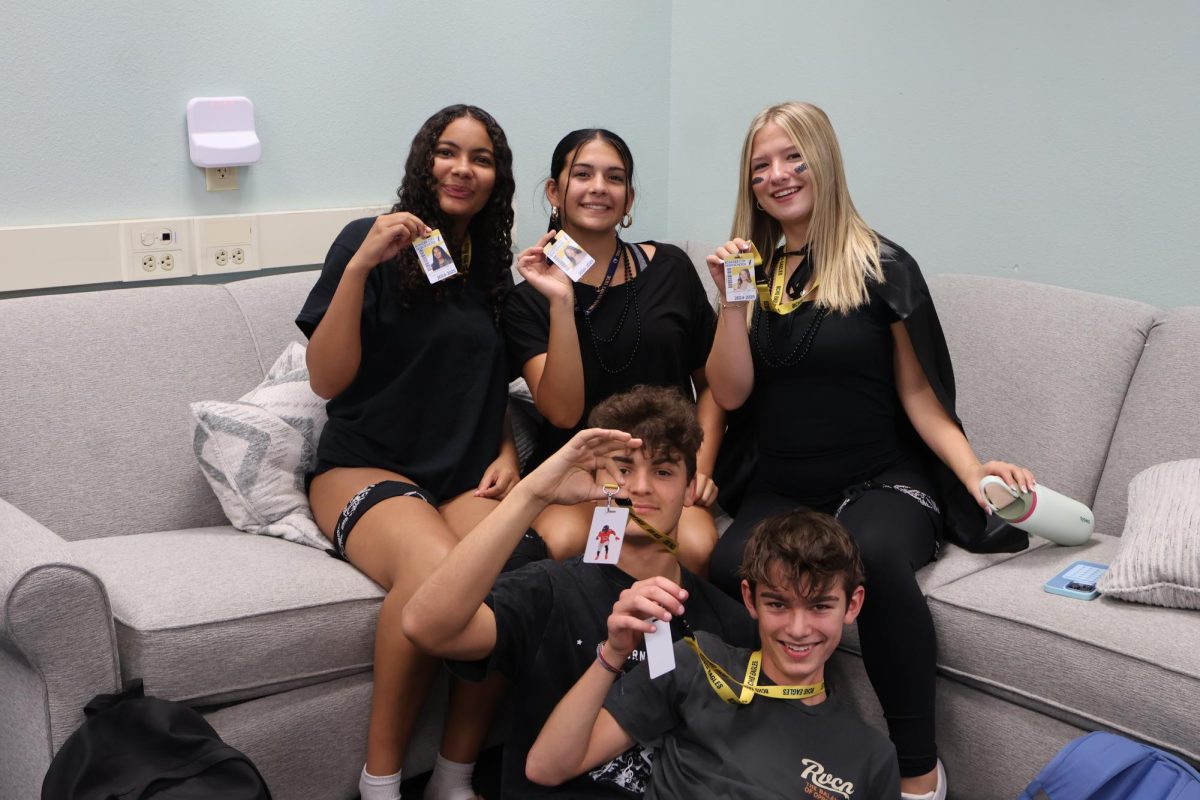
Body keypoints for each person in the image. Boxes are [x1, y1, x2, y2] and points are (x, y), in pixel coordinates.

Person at [702, 101, 1036, 800]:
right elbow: (729, 394)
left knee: (872, 559)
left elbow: (921, 397)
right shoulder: (751, 270)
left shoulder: (881, 263)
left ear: (824, 161)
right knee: (729, 565)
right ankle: (780, 745)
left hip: (880, 481)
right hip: (787, 486)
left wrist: (974, 471)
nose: (778, 174)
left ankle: (919, 772)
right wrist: (732, 305)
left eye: (793, 157)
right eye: (761, 165)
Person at [294, 104, 518, 800]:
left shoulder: (492, 269)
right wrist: (362, 266)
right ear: (424, 162)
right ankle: (381, 780)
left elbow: (487, 376)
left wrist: (509, 445)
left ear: (496, 178)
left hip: (461, 476)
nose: (461, 169)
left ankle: (453, 776)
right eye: (447, 153)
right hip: (364, 463)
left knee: (515, 580)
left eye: (480, 158)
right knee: (435, 574)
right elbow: (326, 379)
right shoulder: (367, 240)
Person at [402, 386, 756, 799]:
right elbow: (425, 627)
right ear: (595, 480)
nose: (640, 487)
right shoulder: (549, 589)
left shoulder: (730, 623)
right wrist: (533, 494)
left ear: (690, 487)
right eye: (623, 468)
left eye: (663, 471)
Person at [526, 508, 901, 799]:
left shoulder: (872, 758)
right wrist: (614, 653)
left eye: (820, 607)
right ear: (749, 599)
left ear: (852, 606)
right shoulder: (697, 663)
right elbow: (548, 767)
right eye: (778, 605)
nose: (798, 629)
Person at [504, 129, 724, 574]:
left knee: (697, 546)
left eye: (615, 177)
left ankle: (674, 645)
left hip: (662, 468)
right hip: (579, 474)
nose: (599, 187)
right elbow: (563, 414)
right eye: (582, 174)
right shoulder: (527, 298)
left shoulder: (671, 268)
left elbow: (712, 385)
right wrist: (562, 303)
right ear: (554, 191)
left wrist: (698, 466)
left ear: (629, 198)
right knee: (568, 543)